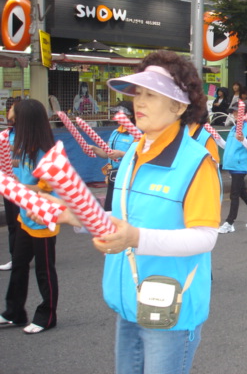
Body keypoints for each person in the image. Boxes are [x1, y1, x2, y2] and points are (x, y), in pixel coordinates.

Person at [36, 50, 221, 373]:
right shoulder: (134, 152)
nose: (139, 102)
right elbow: (121, 220)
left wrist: (135, 238)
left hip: (169, 310)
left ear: (178, 106)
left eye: (152, 94)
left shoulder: (197, 162)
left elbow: (205, 238)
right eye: (138, 93)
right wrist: (71, 214)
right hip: (129, 303)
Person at [0, 99, 58, 334]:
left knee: (44, 270)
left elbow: (46, 188)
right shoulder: (22, 145)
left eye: (15, 119)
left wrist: (11, 187)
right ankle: (14, 313)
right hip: (25, 216)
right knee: (19, 265)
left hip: (42, 217)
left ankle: (47, 316)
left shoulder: (45, 152)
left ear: (27, 122)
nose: (11, 122)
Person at [218, 101, 247, 233]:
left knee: (234, 194)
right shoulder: (234, 128)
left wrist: (243, 139)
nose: (234, 115)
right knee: (242, 192)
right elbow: (226, 146)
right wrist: (216, 137)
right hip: (233, 165)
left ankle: (230, 222)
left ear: (244, 114)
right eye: (233, 112)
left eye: (236, 112)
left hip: (240, 166)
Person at [91, 101, 137, 211]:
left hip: (126, 178)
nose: (117, 116)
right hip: (112, 177)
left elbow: (139, 156)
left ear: (130, 115)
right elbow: (106, 153)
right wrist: (94, 149)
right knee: (109, 209)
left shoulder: (137, 134)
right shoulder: (115, 132)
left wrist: (121, 154)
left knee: (122, 209)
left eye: (121, 113)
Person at [0, 98, 20, 271]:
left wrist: (13, 152)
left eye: (11, 110)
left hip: (26, 186)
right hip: (9, 184)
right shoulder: (6, 134)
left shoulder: (29, 134)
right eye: (7, 109)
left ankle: (28, 254)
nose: (8, 114)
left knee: (25, 222)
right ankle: (15, 257)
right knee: (13, 223)